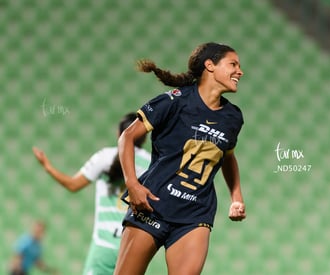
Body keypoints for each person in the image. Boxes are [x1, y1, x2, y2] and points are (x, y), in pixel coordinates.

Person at [114, 42, 247, 275]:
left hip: (195, 214)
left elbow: (227, 156)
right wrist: (132, 184)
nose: (240, 71)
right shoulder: (173, 101)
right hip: (152, 205)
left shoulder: (233, 117)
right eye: (233, 64)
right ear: (210, 66)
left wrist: (236, 197)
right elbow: (127, 137)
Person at [32, 112, 151, 275]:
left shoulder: (104, 157)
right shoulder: (151, 164)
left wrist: (47, 166)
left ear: (119, 134)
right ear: (144, 138)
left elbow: (73, 185)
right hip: (132, 246)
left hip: (103, 245)